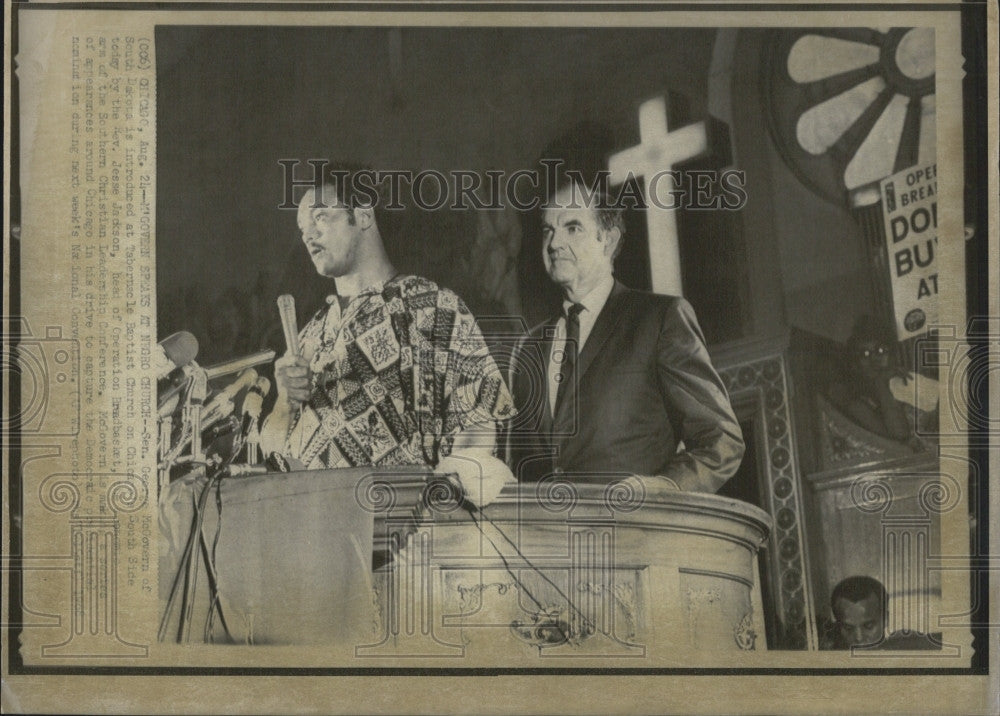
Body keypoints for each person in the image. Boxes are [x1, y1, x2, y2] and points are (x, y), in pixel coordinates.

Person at [260, 164, 515, 507]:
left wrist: (441, 508)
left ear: (363, 215)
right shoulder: (309, 334)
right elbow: (272, 454)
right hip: (310, 529)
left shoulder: (432, 307)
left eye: (320, 217)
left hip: (393, 531)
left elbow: (479, 427)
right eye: (302, 227)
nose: (307, 234)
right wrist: (284, 402)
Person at [506, 178, 744, 492]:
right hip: (544, 538)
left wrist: (664, 488)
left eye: (572, 228)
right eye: (548, 230)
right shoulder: (528, 348)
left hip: (633, 532)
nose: (553, 244)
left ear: (607, 239)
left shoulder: (659, 320)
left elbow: (721, 439)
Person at [821, 575, 942, 650]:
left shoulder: (910, 645)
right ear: (838, 626)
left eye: (868, 626)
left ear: (886, 619)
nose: (859, 638)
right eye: (848, 628)